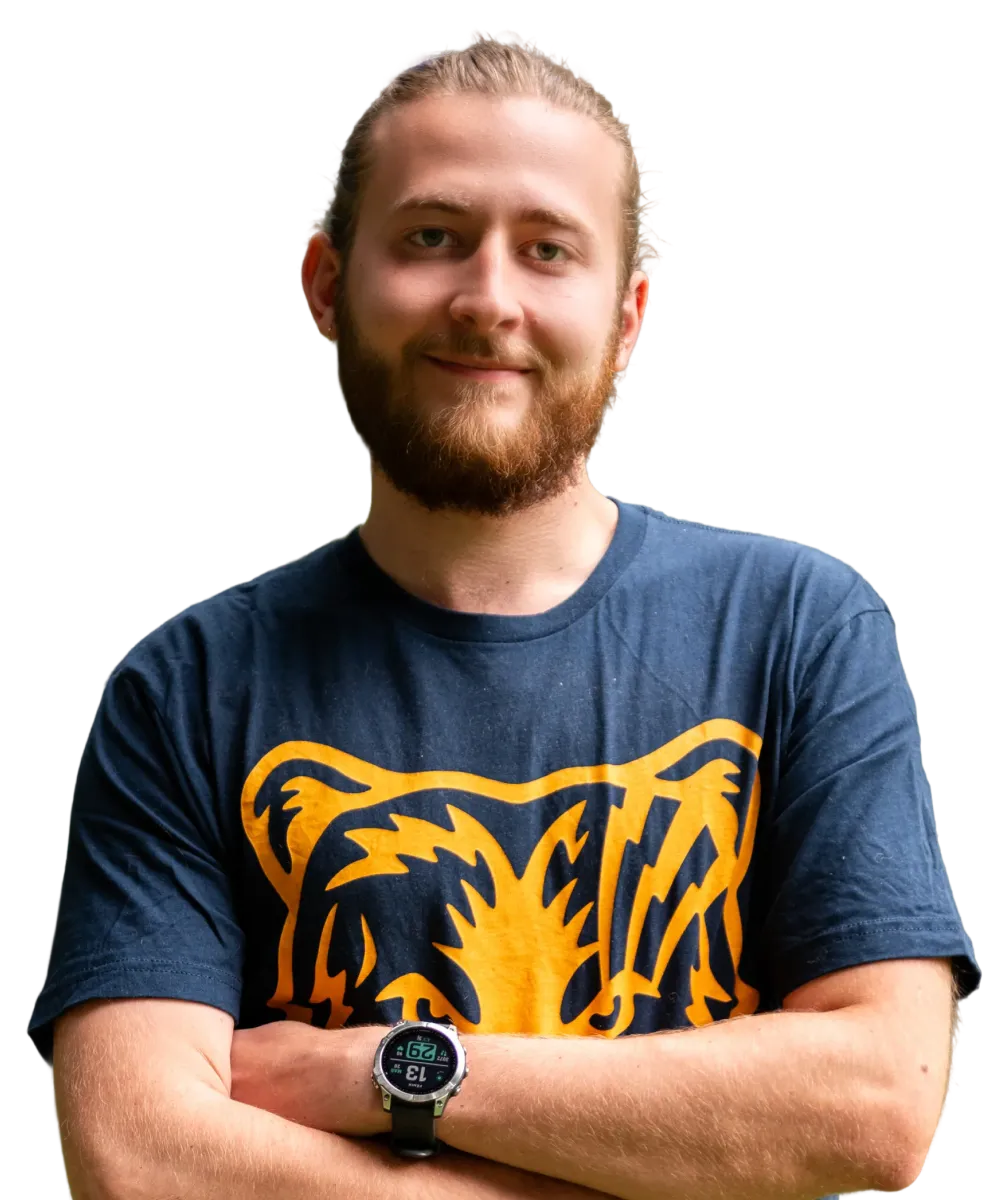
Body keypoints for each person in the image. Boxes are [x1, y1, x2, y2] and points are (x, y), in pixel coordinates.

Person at [29, 28, 978, 1200]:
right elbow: (140, 1158)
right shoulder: (184, 688)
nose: (487, 300)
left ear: (629, 312)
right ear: (325, 282)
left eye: (547, 250)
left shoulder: (797, 628)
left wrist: (386, 1073)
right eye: (431, 237)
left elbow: (877, 1106)